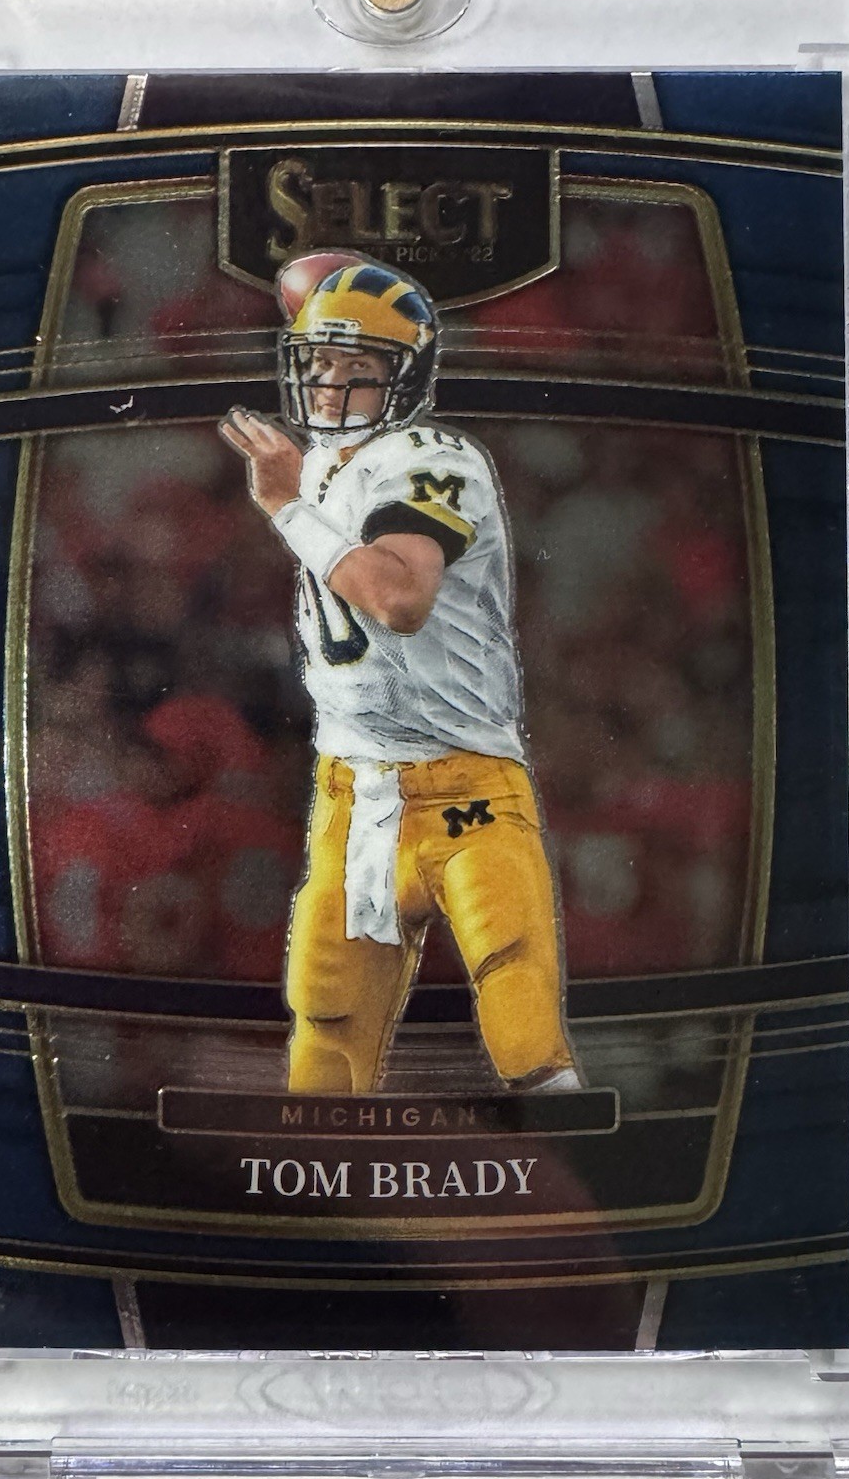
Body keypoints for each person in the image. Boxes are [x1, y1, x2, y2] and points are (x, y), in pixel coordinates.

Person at [220, 252, 584, 1096]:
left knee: (519, 1008)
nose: (329, 384)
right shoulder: (318, 464)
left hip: (466, 785)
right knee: (326, 1031)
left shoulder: (432, 456)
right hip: (352, 792)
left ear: (407, 377)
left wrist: (287, 510)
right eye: (319, 361)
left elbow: (398, 597)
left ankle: (580, 1155)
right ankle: (317, 1181)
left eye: (358, 365)